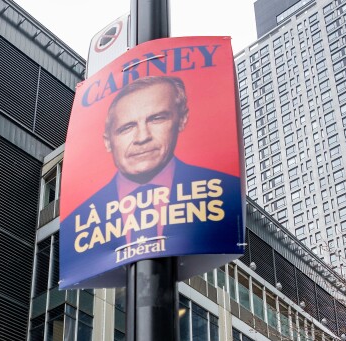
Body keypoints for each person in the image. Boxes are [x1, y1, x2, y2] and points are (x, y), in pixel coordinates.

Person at [67, 75, 243, 263]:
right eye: (127, 127)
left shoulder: (225, 194)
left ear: (182, 119)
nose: (142, 137)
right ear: (108, 141)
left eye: (156, 119)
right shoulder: (79, 221)